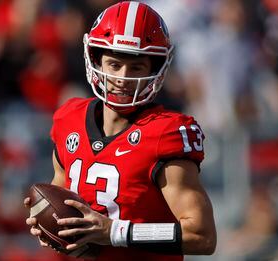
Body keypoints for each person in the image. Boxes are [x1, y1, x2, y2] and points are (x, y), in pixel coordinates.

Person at [25, 1, 216, 260]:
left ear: (155, 69)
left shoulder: (166, 132)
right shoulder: (70, 118)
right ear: (96, 61)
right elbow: (61, 195)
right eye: (115, 65)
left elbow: (202, 235)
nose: (123, 77)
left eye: (136, 67)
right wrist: (47, 221)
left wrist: (115, 232)